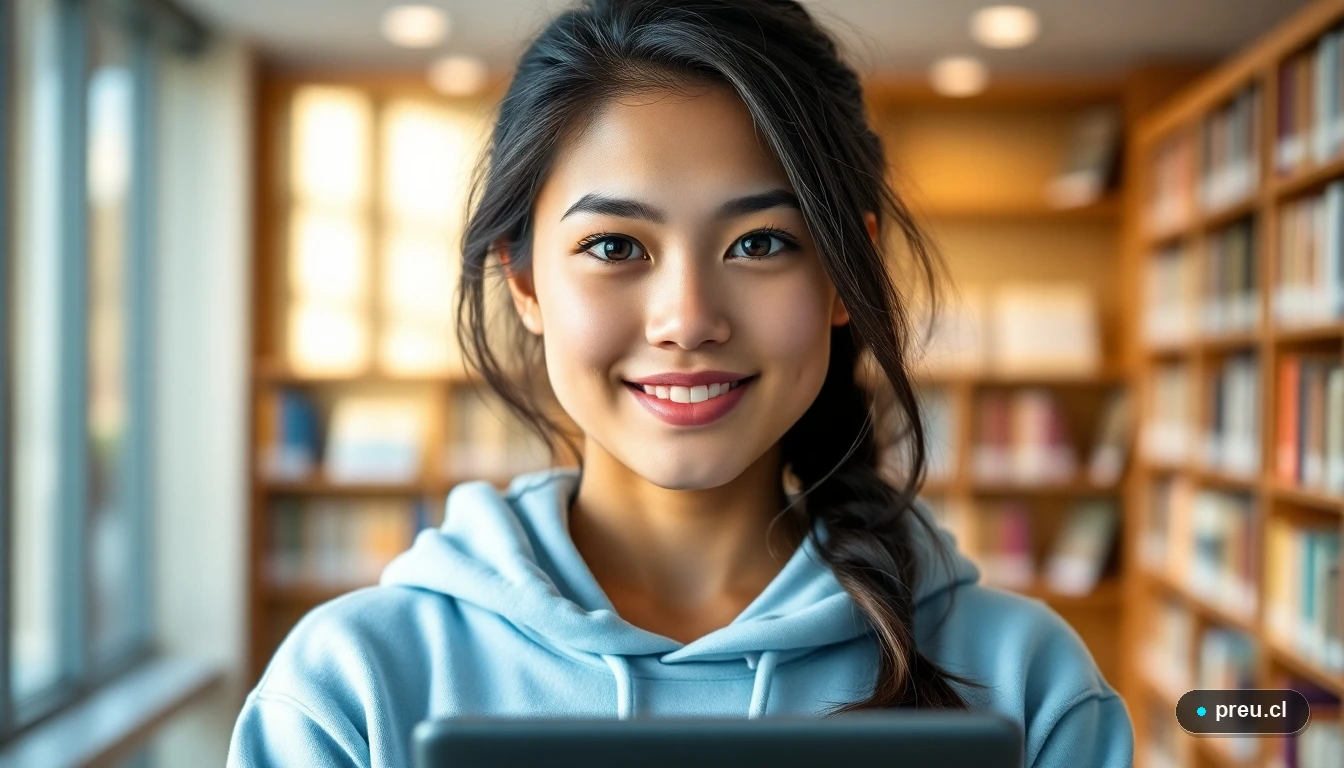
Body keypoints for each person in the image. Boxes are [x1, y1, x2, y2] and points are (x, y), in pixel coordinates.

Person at [227, 0, 1135, 765]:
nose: (688, 317)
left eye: (762, 243)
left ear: (841, 277)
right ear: (526, 282)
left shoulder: (1026, 684)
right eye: (615, 247)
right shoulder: (351, 692)